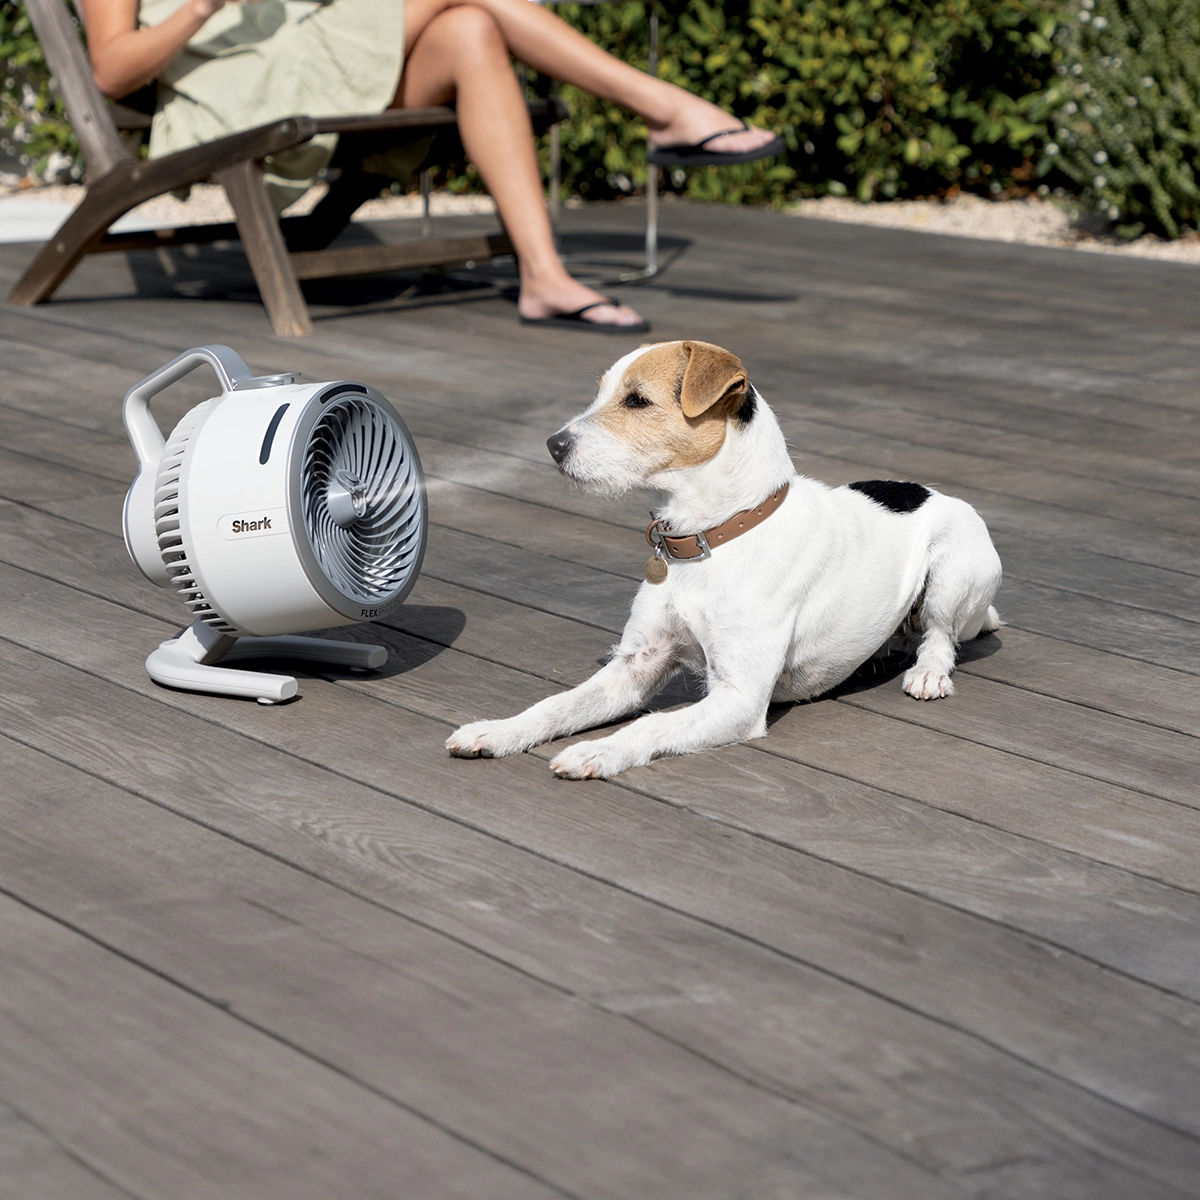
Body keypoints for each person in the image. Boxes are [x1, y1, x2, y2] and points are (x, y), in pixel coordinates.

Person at [82, 0, 783, 330]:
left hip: (325, 66)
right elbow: (112, 69)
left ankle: (544, 277)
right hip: (241, 103)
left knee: (471, 28)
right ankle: (665, 107)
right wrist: (199, 6)